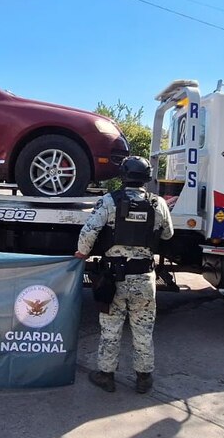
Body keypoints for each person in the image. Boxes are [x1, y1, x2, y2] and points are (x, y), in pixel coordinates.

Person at [74, 156, 174, 394]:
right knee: (143, 330)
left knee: (110, 329)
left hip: (113, 279)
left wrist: (82, 253)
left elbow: (89, 231)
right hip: (145, 279)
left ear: (123, 175)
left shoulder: (109, 201)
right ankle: (143, 378)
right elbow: (168, 234)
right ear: (147, 178)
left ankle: (106, 375)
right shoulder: (158, 203)